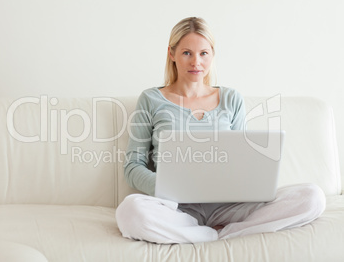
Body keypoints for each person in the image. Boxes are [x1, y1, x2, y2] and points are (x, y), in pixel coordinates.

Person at [115, 17, 326, 244]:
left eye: (204, 53)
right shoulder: (151, 99)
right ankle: (210, 234)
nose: (196, 62)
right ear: (172, 54)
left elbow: (241, 160)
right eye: (187, 53)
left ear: (212, 55)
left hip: (230, 208)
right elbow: (132, 166)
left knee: (313, 197)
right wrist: (167, 188)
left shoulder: (231, 98)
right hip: (177, 209)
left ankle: (224, 232)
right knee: (129, 211)